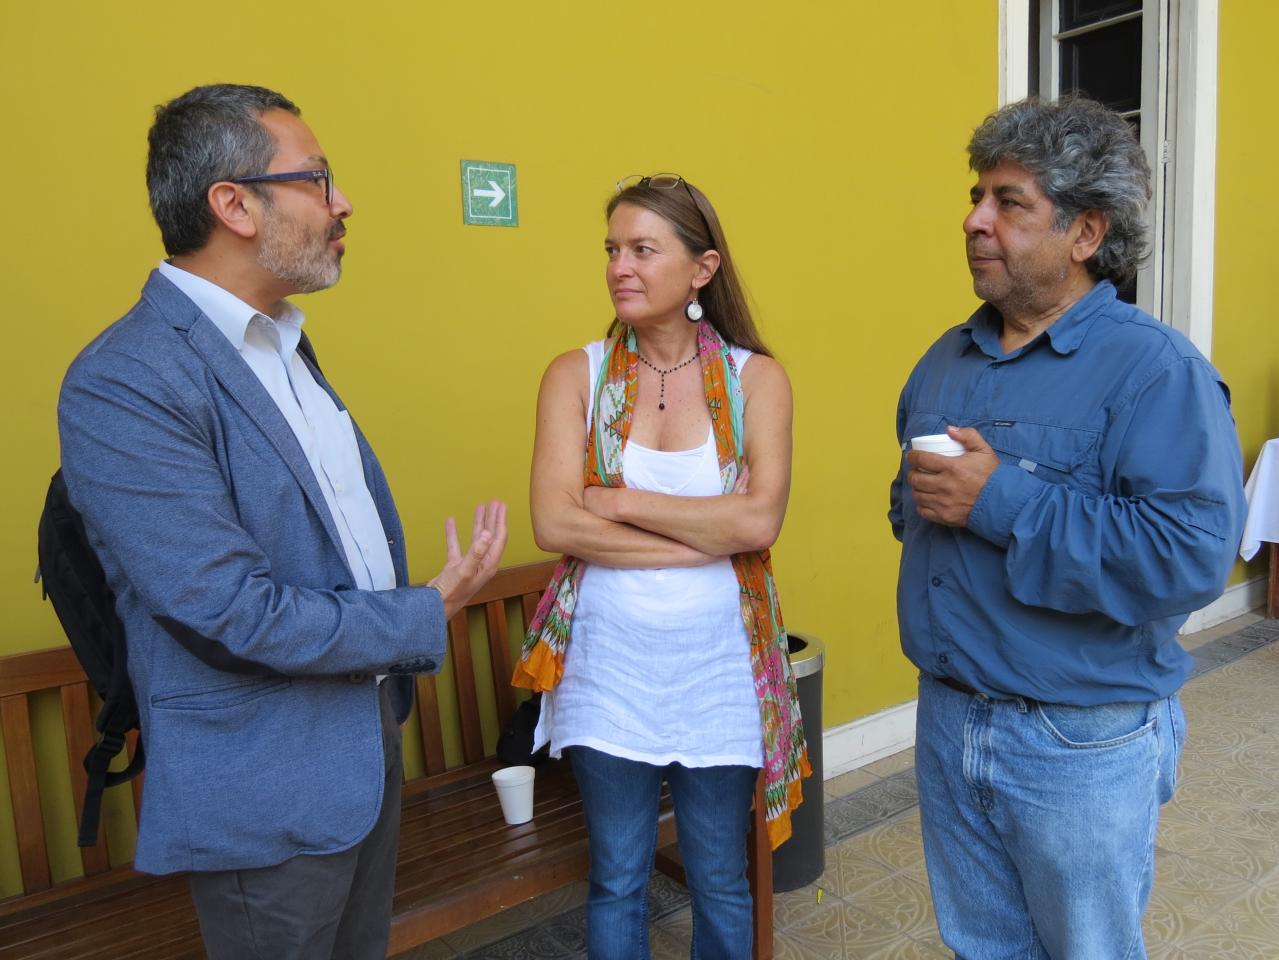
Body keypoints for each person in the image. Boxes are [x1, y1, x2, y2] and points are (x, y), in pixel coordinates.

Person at [56, 83, 507, 960]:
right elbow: (227, 609)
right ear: (233, 204)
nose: (343, 204)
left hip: (358, 749)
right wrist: (427, 609)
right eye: (319, 180)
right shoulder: (127, 380)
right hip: (265, 785)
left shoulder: (285, 344)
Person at [889, 96, 1246, 959]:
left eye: (1009, 202)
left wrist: (998, 500)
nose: (975, 220)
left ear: (1086, 234)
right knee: (984, 947)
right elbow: (914, 514)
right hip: (948, 718)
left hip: (1076, 737)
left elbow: (1188, 556)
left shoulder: (1156, 371)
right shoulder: (945, 357)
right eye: (978, 197)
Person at [512, 174, 807, 959]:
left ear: (702, 269)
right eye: (612, 250)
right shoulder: (574, 375)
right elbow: (552, 522)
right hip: (608, 665)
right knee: (616, 877)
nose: (619, 267)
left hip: (717, 668)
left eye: (644, 249)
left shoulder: (757, 381)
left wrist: (614, 503)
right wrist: (703, 539)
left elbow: (758, 520)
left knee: (718, 875)